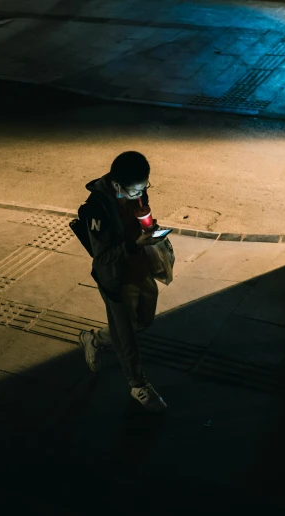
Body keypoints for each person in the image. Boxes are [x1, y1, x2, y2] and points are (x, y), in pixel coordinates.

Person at [78, 151, 168, 412]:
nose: (140, 193)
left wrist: (150, 228)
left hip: (141, 267)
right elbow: (102, 256)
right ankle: (138, 385)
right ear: (117, 185)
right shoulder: (97, 208)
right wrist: (133, 244)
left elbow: (139, 216)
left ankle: (94, 339)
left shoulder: (136, 190)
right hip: (116, 278)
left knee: (144, 320)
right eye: (134, 190)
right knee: (127, 336)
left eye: (144, 187)